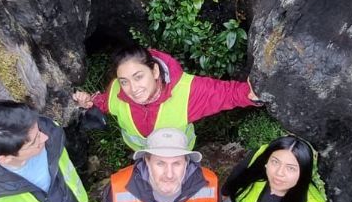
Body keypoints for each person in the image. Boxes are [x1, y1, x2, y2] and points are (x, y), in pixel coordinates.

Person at [73, 45, 259, 152]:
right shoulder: (117, 91)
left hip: (178, 159)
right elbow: (108, 102)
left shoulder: (187, 91)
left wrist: (251, 94)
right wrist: (91, 101)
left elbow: (227, 93)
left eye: (139, 77)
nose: (133, 89)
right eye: (124, 81)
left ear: (154, 70)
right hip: (143, 155)